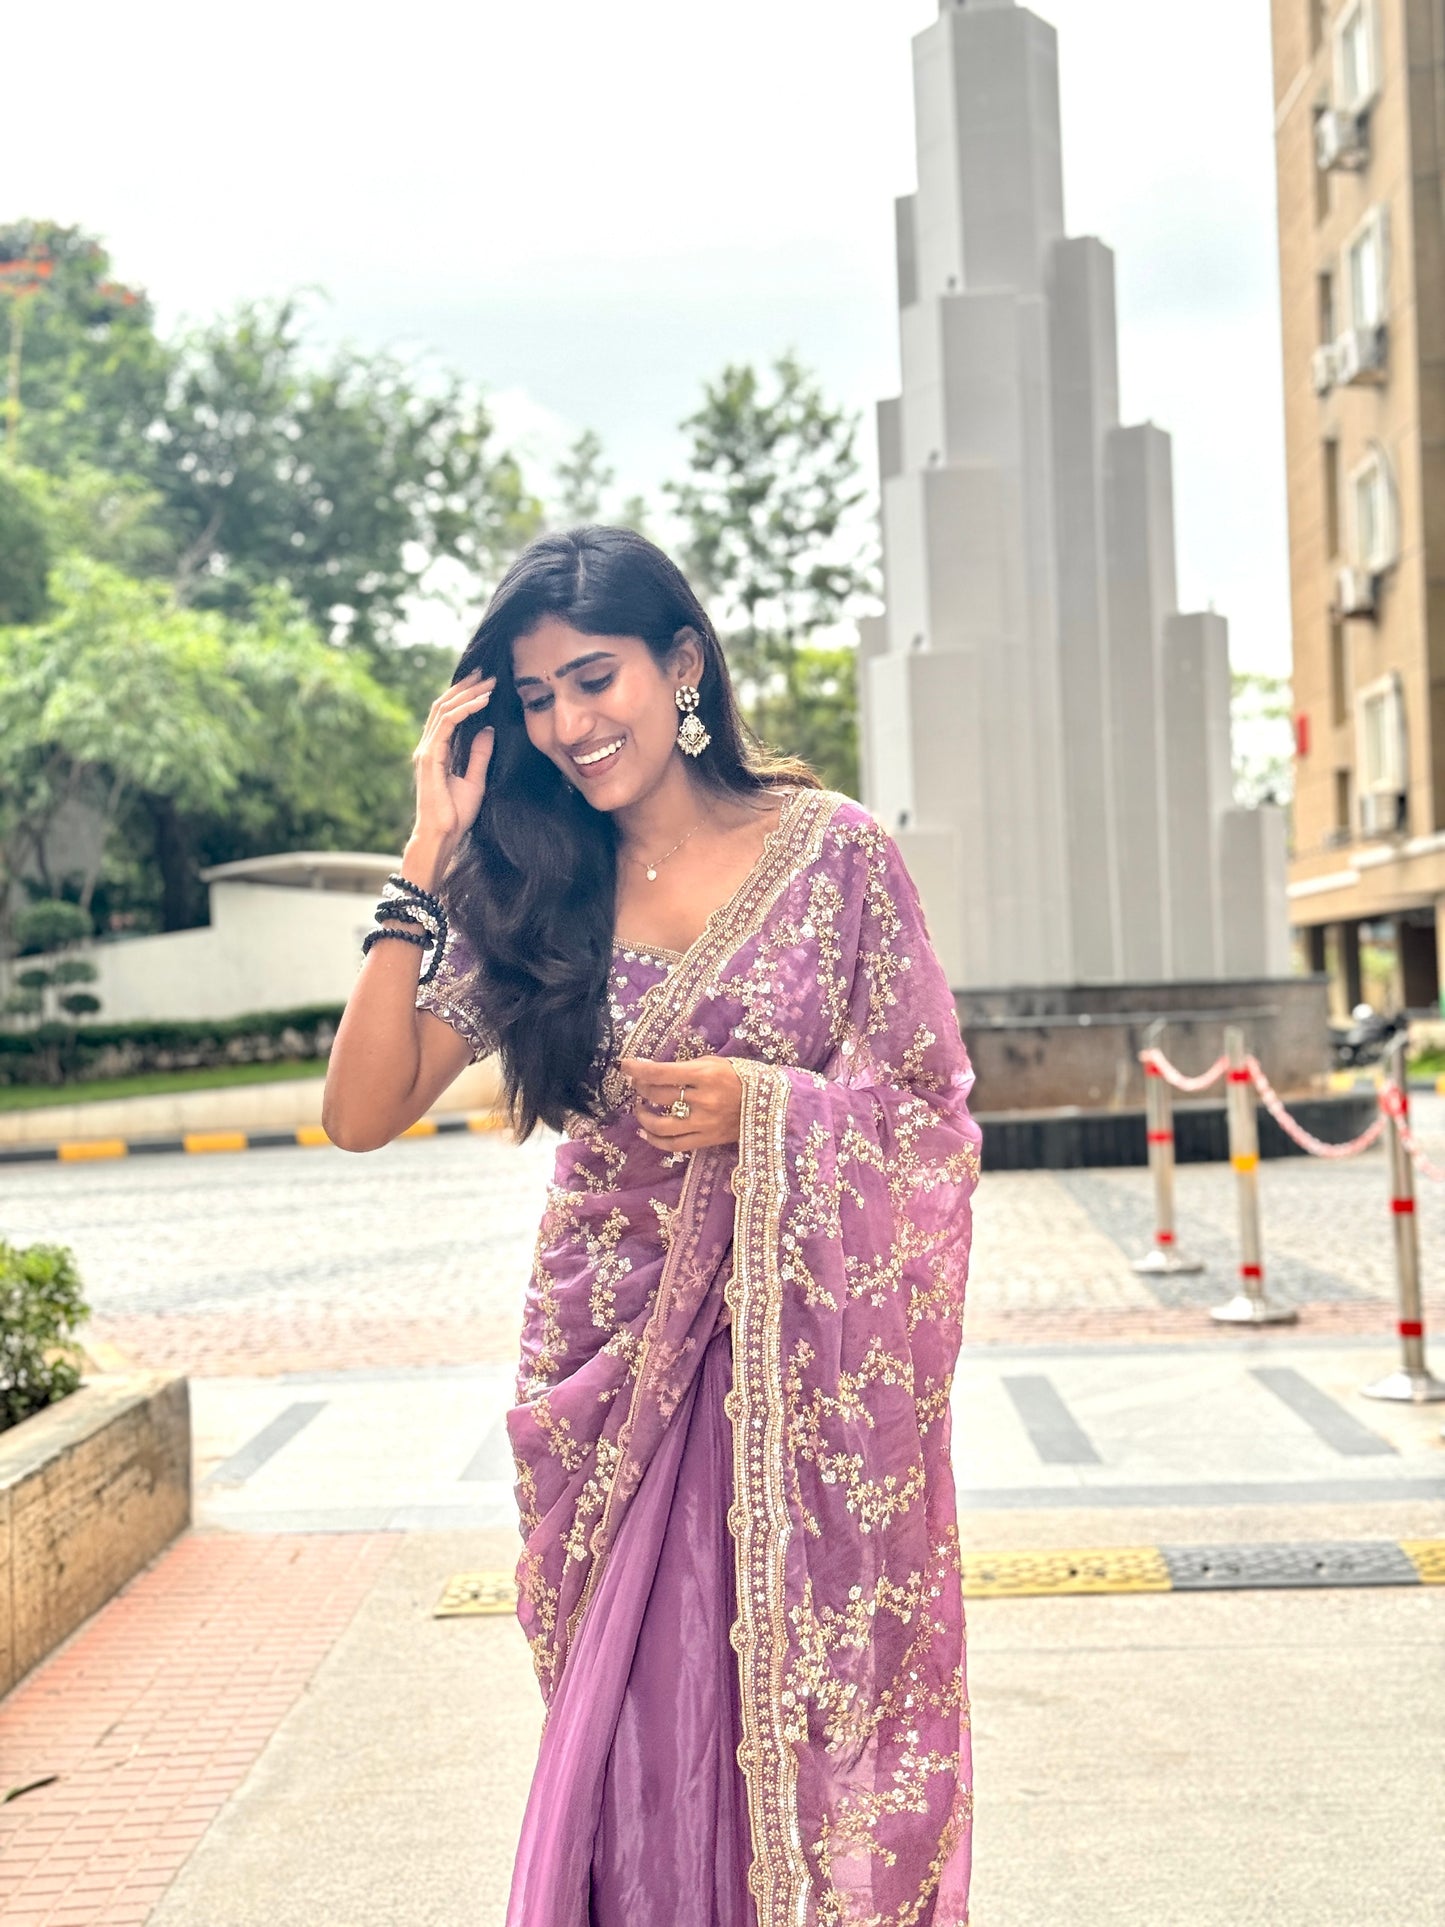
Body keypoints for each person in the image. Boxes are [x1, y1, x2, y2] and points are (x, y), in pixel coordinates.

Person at [322, 525, 983, 1927]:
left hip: (798, 1385)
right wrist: (426, 857)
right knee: (634, 1749)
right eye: (536, 697)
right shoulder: (536, 899)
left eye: (593, 678)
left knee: (783, 1729)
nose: (568, 724)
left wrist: (772, 1106)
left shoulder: (835, 859)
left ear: (681, 663)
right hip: (617, 1387)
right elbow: (362, 1107)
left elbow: (926, 1113)